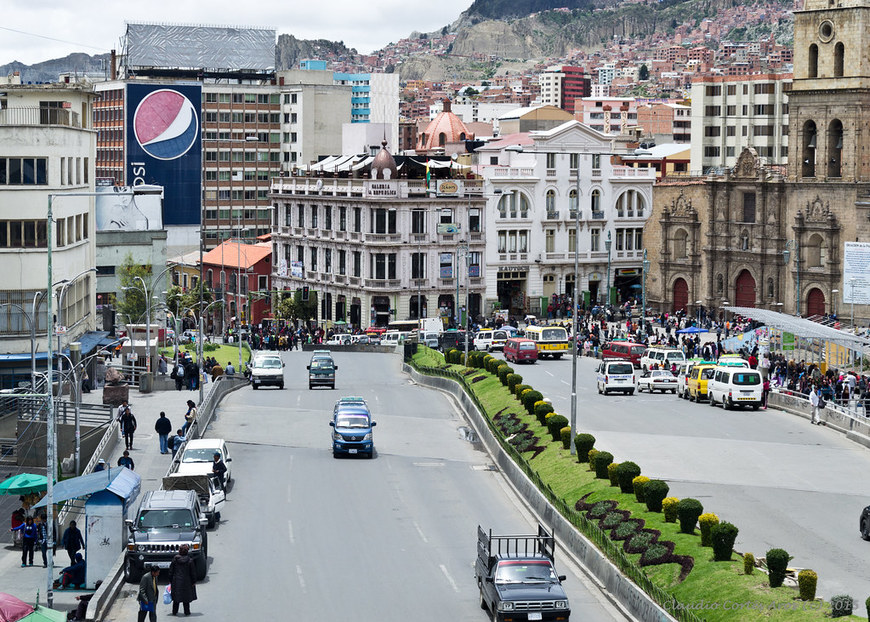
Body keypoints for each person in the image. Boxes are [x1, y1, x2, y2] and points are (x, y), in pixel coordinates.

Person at [168, 544, 198, 616]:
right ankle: (187, 612)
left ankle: (174, 611)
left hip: (176, 581)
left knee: (176, 598)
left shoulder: (175, 560)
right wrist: (194, 581)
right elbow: (193, 573)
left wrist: (170, 580)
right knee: (186, 598)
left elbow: (171, 571)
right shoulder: (190, 561)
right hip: (187, 582)